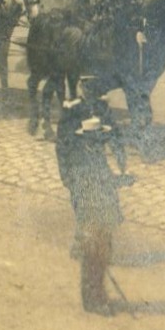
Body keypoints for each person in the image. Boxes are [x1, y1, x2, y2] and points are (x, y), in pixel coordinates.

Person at [56, 110, 126, 315]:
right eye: (97, 139)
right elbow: (81, 189)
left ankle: (97, 296)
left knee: (101, 257)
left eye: (100, 139)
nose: (100, 142)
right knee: (92, 259)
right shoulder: (82, 159)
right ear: (88, 138)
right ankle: (92, 300)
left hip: (103, 213)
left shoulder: (96, 155)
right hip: (92, 214)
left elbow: (105, 182)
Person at [93, 0, 149, 125]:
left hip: (127, 29)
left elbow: (139, 1)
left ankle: (135, 117)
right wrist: (110, 17)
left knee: (133, 70)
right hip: (109, 25)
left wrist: (139, 27)